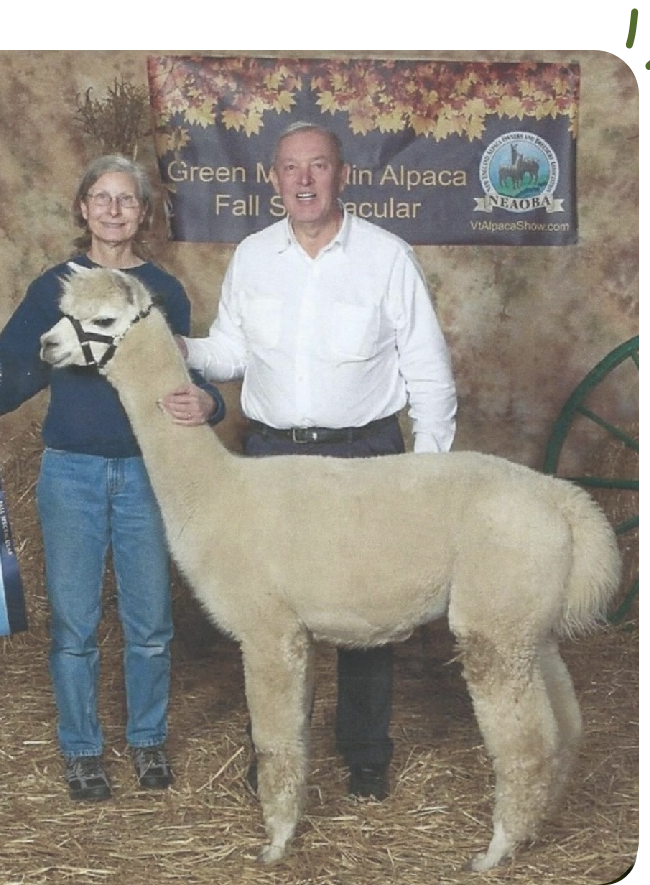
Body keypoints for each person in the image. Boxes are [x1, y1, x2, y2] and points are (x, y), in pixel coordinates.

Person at [0, 155, 225, 802]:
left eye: (127, 200)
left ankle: (148, 740)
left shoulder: (164, 292)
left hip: (147, 473)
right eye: (101, 197)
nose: (114, 209)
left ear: (142, 213)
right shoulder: (52, 286)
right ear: (83, 209)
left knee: (150, 621)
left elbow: (185, 378)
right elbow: (12, 371)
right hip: (72, 474)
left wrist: (212, 404)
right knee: (76, 623)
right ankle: (82, 748)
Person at [177, 121, 456, 800]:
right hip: (271, 463)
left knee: (365, 615)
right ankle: (275, 753)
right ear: (274, 179)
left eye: (318, 166)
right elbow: (229, 353)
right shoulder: (252, 256)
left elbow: (430, 372)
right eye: (291, 168)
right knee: (271, 617)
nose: (304, 180)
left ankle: (365, 755)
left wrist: (426, 476)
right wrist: (162, 345)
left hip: (367, 459)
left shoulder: (387, 257)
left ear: (342, 174)